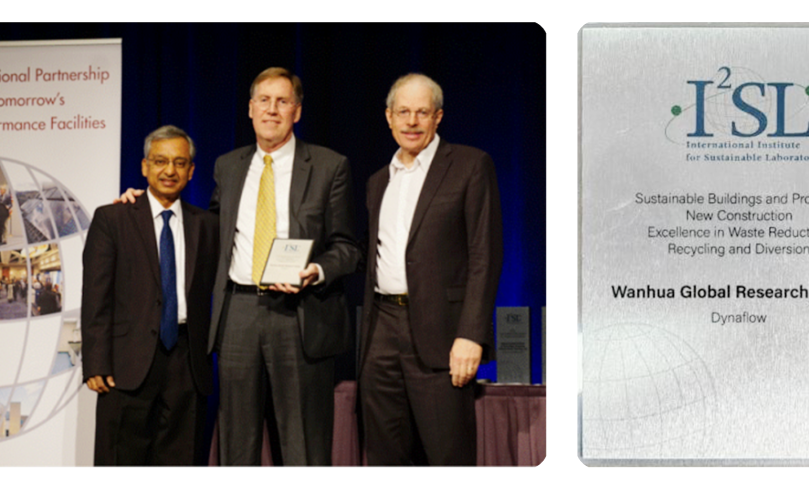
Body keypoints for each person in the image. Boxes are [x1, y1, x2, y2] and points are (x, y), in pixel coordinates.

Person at [119, 68, 359, 465]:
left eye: (282, 101)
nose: (272, 110)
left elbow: (348, 247)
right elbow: (206, 230)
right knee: (236, 442)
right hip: (238, 314)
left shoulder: (329, 166)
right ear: (250, 109)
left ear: (297, 111)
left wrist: (315, 271)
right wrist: (143, 204)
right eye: (264, 100)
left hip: (301, 315)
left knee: (303, 444)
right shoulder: (228, 166)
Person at [359, 73, 503, 465]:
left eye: (422, 112)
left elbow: (485, 256)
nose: (412, 121)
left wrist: (471, 334)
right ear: (388, 117)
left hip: (442, 334)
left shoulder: (470, 165)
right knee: (384, 455)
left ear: (438, 117)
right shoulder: (378, 181)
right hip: (380, 331)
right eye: (403, 112)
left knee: (447, 455)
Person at [82, 125, 219, 465]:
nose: (169, 170)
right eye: (160, 161)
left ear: (191, 171)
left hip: (187, 363)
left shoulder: (207, 225)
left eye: (179, 163)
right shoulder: (112, 218)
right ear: (145, 166)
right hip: (126, 364)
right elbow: (96, 297)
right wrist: (96, 361)